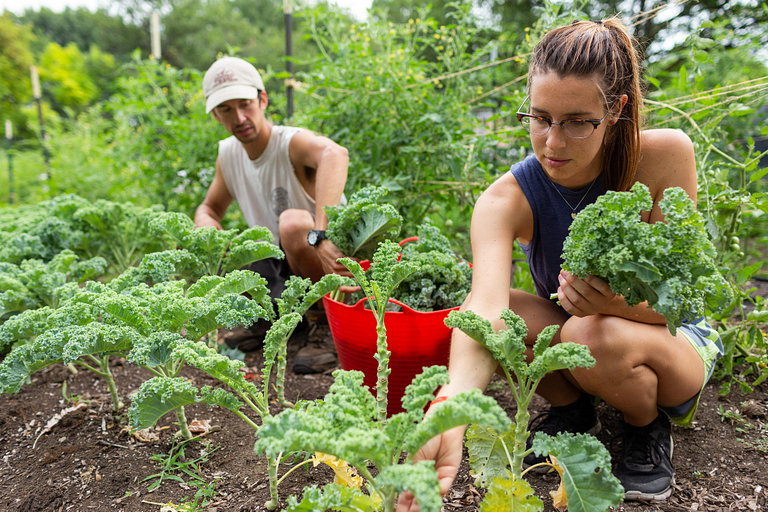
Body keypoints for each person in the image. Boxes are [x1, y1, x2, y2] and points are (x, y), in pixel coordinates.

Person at [397, 18, 723, 509]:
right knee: (506, 311)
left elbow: (680, 302)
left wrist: (614, 303)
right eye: (540, 117)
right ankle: (573, 409)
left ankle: (645, 426)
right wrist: (450, 410)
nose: (552, 142)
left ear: (616, 110)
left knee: (592, 333)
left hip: (671, 342)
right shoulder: (505, 199)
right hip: (585, 339)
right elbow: (483, 310)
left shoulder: (663, 155)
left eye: (576, 121)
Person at [196, 56, 351, 373]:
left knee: (293, 224)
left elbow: (335, 154)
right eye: (226, 109)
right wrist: (209, 235)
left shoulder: (289, 143)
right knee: (240, 243)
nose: (239, 117)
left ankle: (326, 327)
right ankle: (281, 322)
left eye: (246, 104)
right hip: (288, 269)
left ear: (263, 100)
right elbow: (208, 208)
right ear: (215, 114)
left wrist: (320, 235)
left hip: (336, 267)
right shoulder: (228, 154)